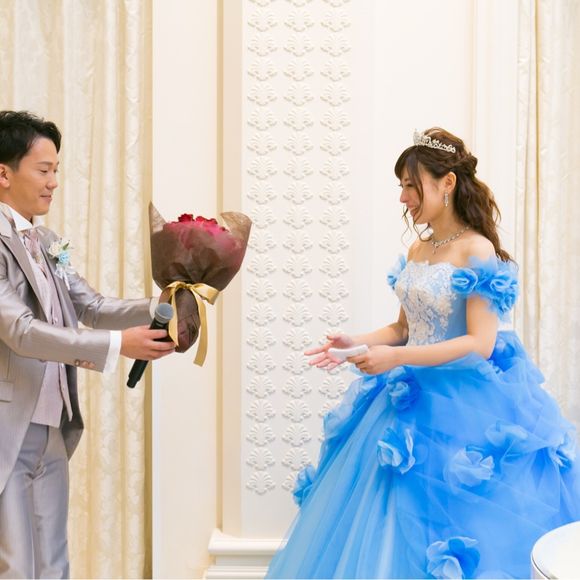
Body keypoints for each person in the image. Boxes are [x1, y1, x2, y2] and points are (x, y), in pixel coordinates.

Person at [266, 127, 580, 579]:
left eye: (412, 185)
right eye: (401, 186)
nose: (403, 198)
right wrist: (356, 343)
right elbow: (403, 329)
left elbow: (480, 344)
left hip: (463, 403)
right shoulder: (419, 247)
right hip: (406, 397)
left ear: (447, 183)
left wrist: (396, 358)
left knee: (456, 521)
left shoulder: (477, 249)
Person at [0, 110, 175, 578]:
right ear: (4, 174)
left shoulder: (46, 240)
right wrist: (118, 346)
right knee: (17, 567)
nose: (54, 182)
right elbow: (21, 331)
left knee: (54, 563)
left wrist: (164, 301)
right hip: (7, 428)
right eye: (43, 170)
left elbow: (91, 306)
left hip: (52, 426)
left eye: (56, 170)